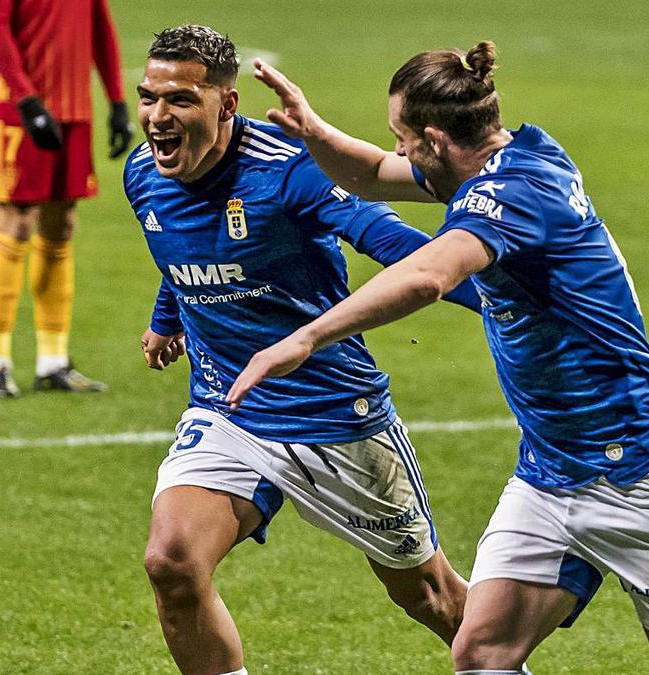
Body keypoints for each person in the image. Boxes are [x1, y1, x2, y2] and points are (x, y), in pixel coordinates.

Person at [228, 43, 649, 675]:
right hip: (550, 471)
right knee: (481, 652)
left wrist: (305, 337)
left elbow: (431, 273)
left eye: (404, 136)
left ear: (434, 141)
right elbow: (370, 174)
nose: (399, 149)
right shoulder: (493, 163)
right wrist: (313, 128)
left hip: (640, 465)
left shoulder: (517, 193)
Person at [125, 26, 487, 675]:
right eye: (148, 97)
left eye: (178, 100)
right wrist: (165, 318)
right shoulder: (143, 175)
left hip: (333, 415)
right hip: (228, 408)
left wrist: (505, 300)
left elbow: (391, 241)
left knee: (429, 597)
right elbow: (181, 247)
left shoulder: (288, 169)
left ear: (226, 106)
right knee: (172, 562)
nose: (156, 117)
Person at [0, 0, 133, 396]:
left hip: (72, 107)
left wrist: (116, 101)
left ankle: (53, 361)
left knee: (61, 226)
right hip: (17, 108)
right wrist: (26, 101)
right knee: (17, 221)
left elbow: (101, 28)